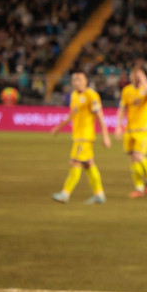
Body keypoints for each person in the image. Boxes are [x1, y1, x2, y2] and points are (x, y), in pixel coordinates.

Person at [50, 71, 111, 204]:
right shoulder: (73, 96)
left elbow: (100, 116)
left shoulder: (91, 95)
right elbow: (71, 115)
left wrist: (105, 136)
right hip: (78, 136)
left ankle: (65, 194)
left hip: (85, 136)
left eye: (79, 79)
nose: (76, 82)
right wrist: (59, 127)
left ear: (86, 81)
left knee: (75, 162)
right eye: (74, 79)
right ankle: (99, 194)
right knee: (89, 165)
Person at [116, 67, 147, 197]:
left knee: (139, 156)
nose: (136, 78)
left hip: (144, 129)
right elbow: (122, 108)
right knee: (133, 159)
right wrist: (118, 126)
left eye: (139, 76)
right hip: (129, 129)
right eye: (134, 76)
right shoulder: (127, 90)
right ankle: (139, 188)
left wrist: (144, 82)